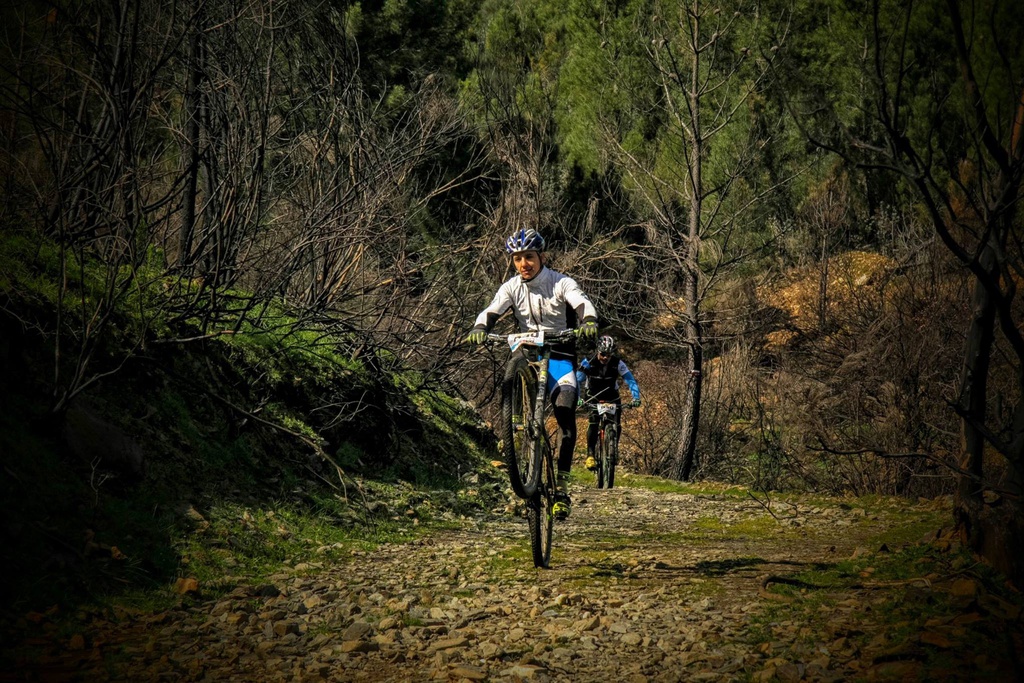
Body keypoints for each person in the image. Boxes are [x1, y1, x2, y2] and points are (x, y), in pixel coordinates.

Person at [464, 228, 599, 519]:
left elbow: (581, 302)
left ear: (542, 257)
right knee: (511, 373)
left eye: (529, 257)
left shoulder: (560, 282)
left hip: (559, 355)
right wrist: (479, 327)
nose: (524, 263)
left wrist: (587, 319)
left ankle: (561, 487)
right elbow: (492, 309)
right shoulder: (511, 287)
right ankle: (513, 430)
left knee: (565, 413)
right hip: (526, 353)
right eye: (517, 258)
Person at [576, 335, 641, 472]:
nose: (605, 358)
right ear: (598, 351)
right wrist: (577, 398)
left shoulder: (618, 363)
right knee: (593, 422)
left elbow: (630, 380)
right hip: (593, 394)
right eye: (603, 354)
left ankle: (612, 448)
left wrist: (635, 397)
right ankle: (590, 455)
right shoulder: (588, 361)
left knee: (617, 423)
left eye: (609, 355)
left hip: (611, 394)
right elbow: (577, 381)